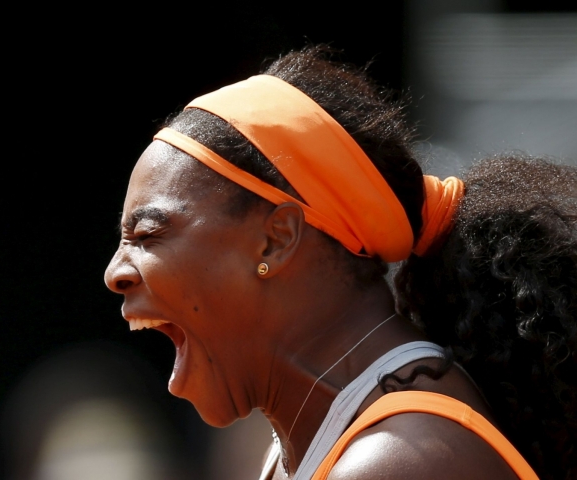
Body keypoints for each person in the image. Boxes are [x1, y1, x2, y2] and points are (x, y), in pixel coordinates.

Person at [104, 47, 576, 479]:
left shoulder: (398, 460)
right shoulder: (313, 441)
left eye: (147, 235)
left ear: (275, 240)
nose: (115, 273)